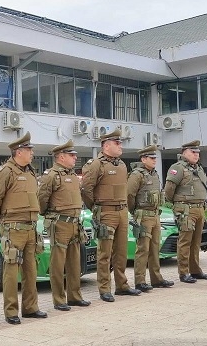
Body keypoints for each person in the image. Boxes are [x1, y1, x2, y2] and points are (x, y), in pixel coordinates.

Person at [0, 132, 47, 325]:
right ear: (18, 152)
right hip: (13, 229)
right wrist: (4, 220)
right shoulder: (5, 172)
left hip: (30, 229)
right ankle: (11, 311)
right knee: (11, 271)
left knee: (31, 270)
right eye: (29, 150)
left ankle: (30, 307)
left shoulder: (30, 172)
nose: (32, 153)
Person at [81, 129, 140, 302]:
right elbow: (86, 190)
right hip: (106, 212)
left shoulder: (121, 164)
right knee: (104, 253)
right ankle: (104, 288)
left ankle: (122, 285)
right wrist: (96, 208)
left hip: (122, 212)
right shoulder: (96, 164)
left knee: (121, 252)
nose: (120, 145)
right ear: (106, 146)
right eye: (117, 143)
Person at [38, 140, 91, 311]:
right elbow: (41, 200)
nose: (75, 157)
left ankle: (74, 296)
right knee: (58, 264)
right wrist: (49, 215)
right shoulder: (51, 175)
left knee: (74, 263)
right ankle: (59, 299)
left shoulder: (73, 175)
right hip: (59, 224)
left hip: (75, 224)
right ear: (61, 157)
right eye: (71, 155)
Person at [163, 140, 207, 284]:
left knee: (196, 242)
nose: (196, 155)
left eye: (198, 152)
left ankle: (195, 270)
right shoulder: (178, 168)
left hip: (199, 208)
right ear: (184, 152)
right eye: (193, 152)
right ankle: (183, 272)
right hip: (185, 209)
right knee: (185, 241)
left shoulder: (198, 168)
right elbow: (169, 190)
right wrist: (178, 204)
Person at [127, 144, 174, 292]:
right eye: (151, 158)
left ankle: (156, 279)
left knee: (155, 248)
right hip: (144, 216)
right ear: (143, 159)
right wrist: (135, 211)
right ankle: (140, 281)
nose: (154, 160)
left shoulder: (154, 173)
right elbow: (129, 195)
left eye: (155, 157)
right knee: (143, 249)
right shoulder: (137, 174)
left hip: (155, 216)